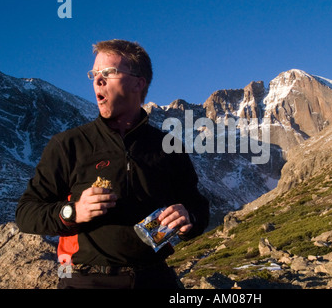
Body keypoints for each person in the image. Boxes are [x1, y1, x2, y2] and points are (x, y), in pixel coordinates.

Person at [15, 39, 210, 289]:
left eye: (109, 73)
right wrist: (73, 211)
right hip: (84, 279)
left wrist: (187, 218)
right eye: (95, 74)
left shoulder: (168, 147)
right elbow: (26, 213)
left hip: (154, 278)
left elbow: (198, 208)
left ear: (139, 83)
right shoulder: (69, 144)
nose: (98, 80)